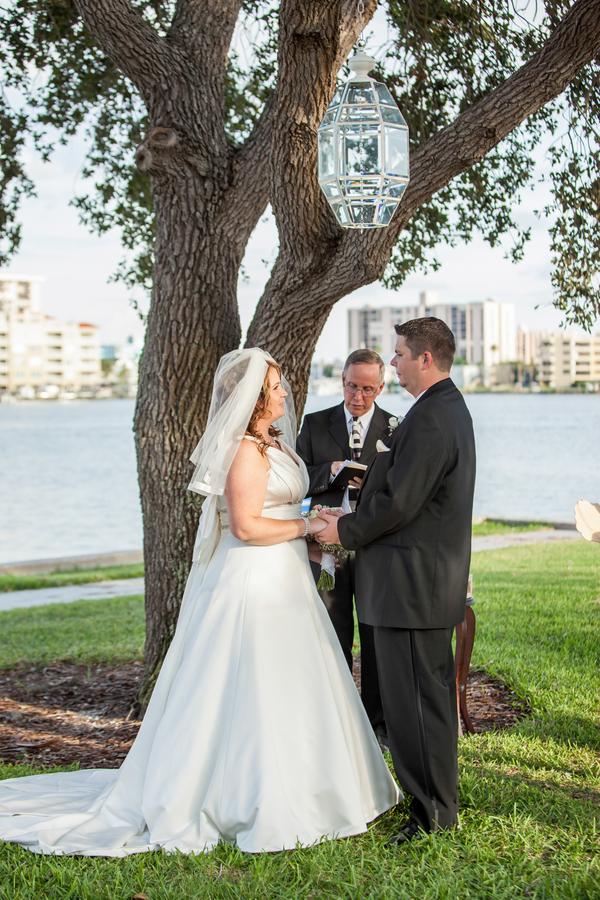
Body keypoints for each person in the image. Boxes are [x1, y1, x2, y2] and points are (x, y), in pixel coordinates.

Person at [0, 348, 400, 856]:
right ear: (256, 398)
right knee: (244, 680)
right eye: (276, 388)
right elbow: (247, 526)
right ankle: (239, 795)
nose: (283, 394)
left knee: (292, 678)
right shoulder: (243, 451)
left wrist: (310, 527)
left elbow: (279, 505)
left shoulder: (271, 443)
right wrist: (307, 527)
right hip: (250, 578)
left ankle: (318, 786)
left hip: (283, 577)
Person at [317, 319, 476, 846]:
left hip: (412, 587)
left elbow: (402, 504)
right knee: (420, 703)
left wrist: (343, 528)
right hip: (418, 583)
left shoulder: (431, 417)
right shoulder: (441, 409)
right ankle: (434, 805)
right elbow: (409, 488)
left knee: (416, 708)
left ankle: (431, 812)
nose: (397, 361)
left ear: (425, 359)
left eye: (402, 354)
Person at [296, 349, 395, 745]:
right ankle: (334, 723)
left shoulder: (396, 426)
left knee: (373, 635)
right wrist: (332, 472)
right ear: (341, 379)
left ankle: (376, 727)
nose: (358, 396)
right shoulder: (316, 423)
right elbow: (298, 478)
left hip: (373, 546)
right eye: (352, 386)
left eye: (368, 389)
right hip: (326, 549)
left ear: (381, 387)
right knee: (332, 632)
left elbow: (400, 490)